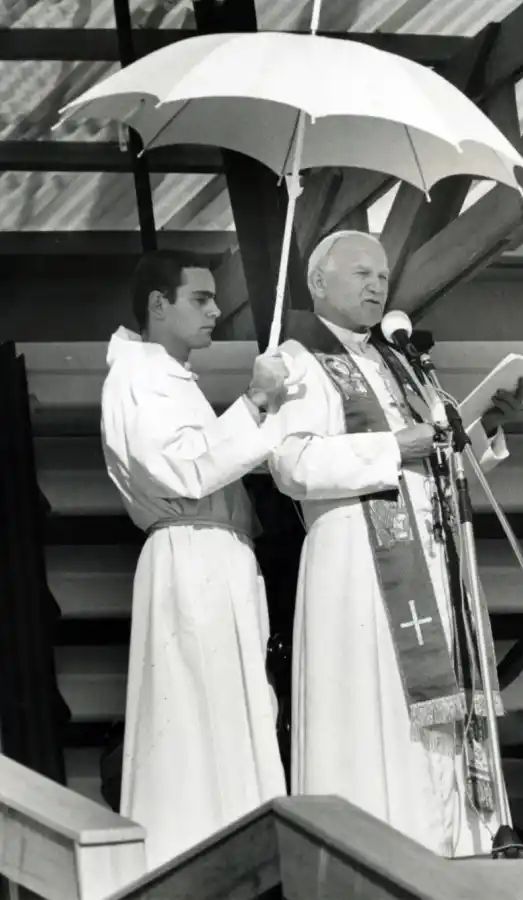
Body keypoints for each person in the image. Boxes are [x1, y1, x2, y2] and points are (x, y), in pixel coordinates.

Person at [268, 231, 523, 858]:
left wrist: (482, 428)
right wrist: (391, 447)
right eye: (361, 272)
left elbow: (434, 471)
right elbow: (291, 464)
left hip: (430, 563)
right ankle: (387, 855)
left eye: (383, 275)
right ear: (318, 282)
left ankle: (454, 849)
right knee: (374, 709)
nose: (377, 285)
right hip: (359, 566)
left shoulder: (400, 363)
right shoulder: (299, 361)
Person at [101, 250, 287, 870]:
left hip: (213, 553)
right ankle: (196, 864)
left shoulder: (170, 376)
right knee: (193, 721)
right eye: (200, 299)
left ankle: (237, 860)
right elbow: (182, 468)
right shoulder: (139, 375)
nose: (215, 310)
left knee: (227, 716)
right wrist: (254, 401)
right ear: (159, 304)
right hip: (189, 553)